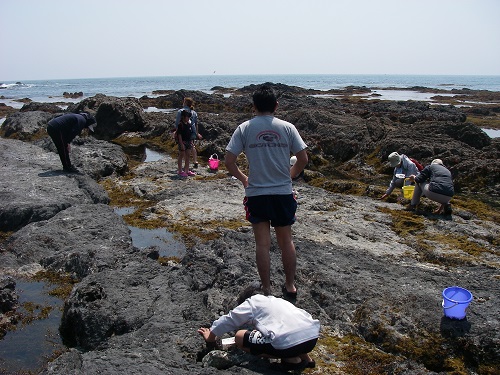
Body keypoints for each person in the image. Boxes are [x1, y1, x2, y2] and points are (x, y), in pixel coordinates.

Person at [224, 85, 308, 299]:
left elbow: (229, 160)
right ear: (276, 106)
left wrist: (244, 179)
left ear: (254, 107)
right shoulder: (288, 127)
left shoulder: (244, 128)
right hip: (282, 193)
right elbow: (303, 158)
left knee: (262, 243)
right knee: (286, 241)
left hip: (257, 194)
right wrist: (289, 176)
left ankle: (267, 289)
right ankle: (290, 286)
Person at [197, 284, 319, 371]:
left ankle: (291, 360)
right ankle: (307, 360)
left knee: (239, 336)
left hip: (286, 346)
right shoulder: (278, 301)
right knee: (291, 331)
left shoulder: (251, 303)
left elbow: (229, 319)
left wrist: (211, 336)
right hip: (311, 338)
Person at [175, 97, 202, 168]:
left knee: (183, 148)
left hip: (183, 132)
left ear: (185, 103)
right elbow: (196, 124)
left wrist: (176, 132)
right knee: (192, 145)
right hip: (192, 131)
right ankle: (195, 160)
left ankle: (184, 164)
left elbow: (177, 123)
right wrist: (197, 133)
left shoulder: (181, 111)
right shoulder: (194, 112)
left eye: (183, 102)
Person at [175, 109, 196, 177]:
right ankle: (180, 171)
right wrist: (181, 144)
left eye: (189, 117)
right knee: (181, 156)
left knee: (188, 156)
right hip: (183, 142)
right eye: (187, 117)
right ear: (183, 116)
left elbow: (189, 134)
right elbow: (179, 135)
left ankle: (186, 170)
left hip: (189, 142)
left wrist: (192, 142)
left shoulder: (189, 124)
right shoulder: (180, 124)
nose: (188, 118)